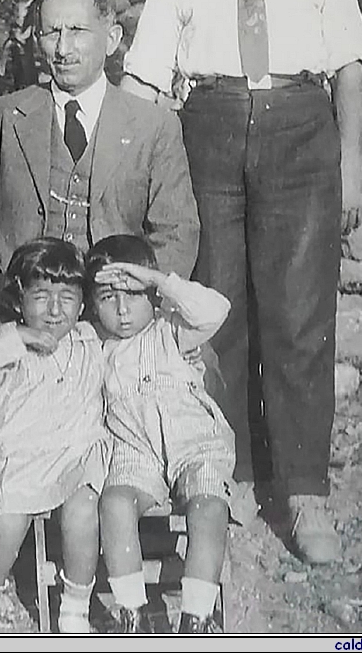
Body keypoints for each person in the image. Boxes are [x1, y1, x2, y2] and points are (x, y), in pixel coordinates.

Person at [121, 0, 362, 563]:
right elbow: (144, 77)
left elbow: (349, 68)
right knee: (214, 308)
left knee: (300, 317)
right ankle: (218, 476)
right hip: (209, 126)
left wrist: (351, 163)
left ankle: (304, 490)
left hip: (302, 129)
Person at [0, 0, 199, 327]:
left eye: (77, 32)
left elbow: (177, 231)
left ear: (111, 39)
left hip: (116, 317)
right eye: (51, 33)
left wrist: (135, 300)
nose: (63, 49)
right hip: (18, 311)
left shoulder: (153, 126)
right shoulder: (4, 116)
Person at [0, 238, 110, 633]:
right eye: (41, 296)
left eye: (67, 298)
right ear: (20, 297)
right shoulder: (6, 344)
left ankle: (75, 608)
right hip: (23, 455)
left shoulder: (90, 341)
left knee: (81, 512)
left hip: (77, 450)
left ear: (82, 302)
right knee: (7, 514)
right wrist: (15, 339)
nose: (55, 310)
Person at [86, 235, 234, 634]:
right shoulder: (95, 347)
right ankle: (133, 612)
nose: (121, 310)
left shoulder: (173, 331)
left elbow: (216, 310)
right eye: (107, 298)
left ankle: (197, 617)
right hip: (135, 448)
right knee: (115, 503)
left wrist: (155, 278)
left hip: (193, 443)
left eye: (133, 295)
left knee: (209, 505)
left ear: (152, 295)